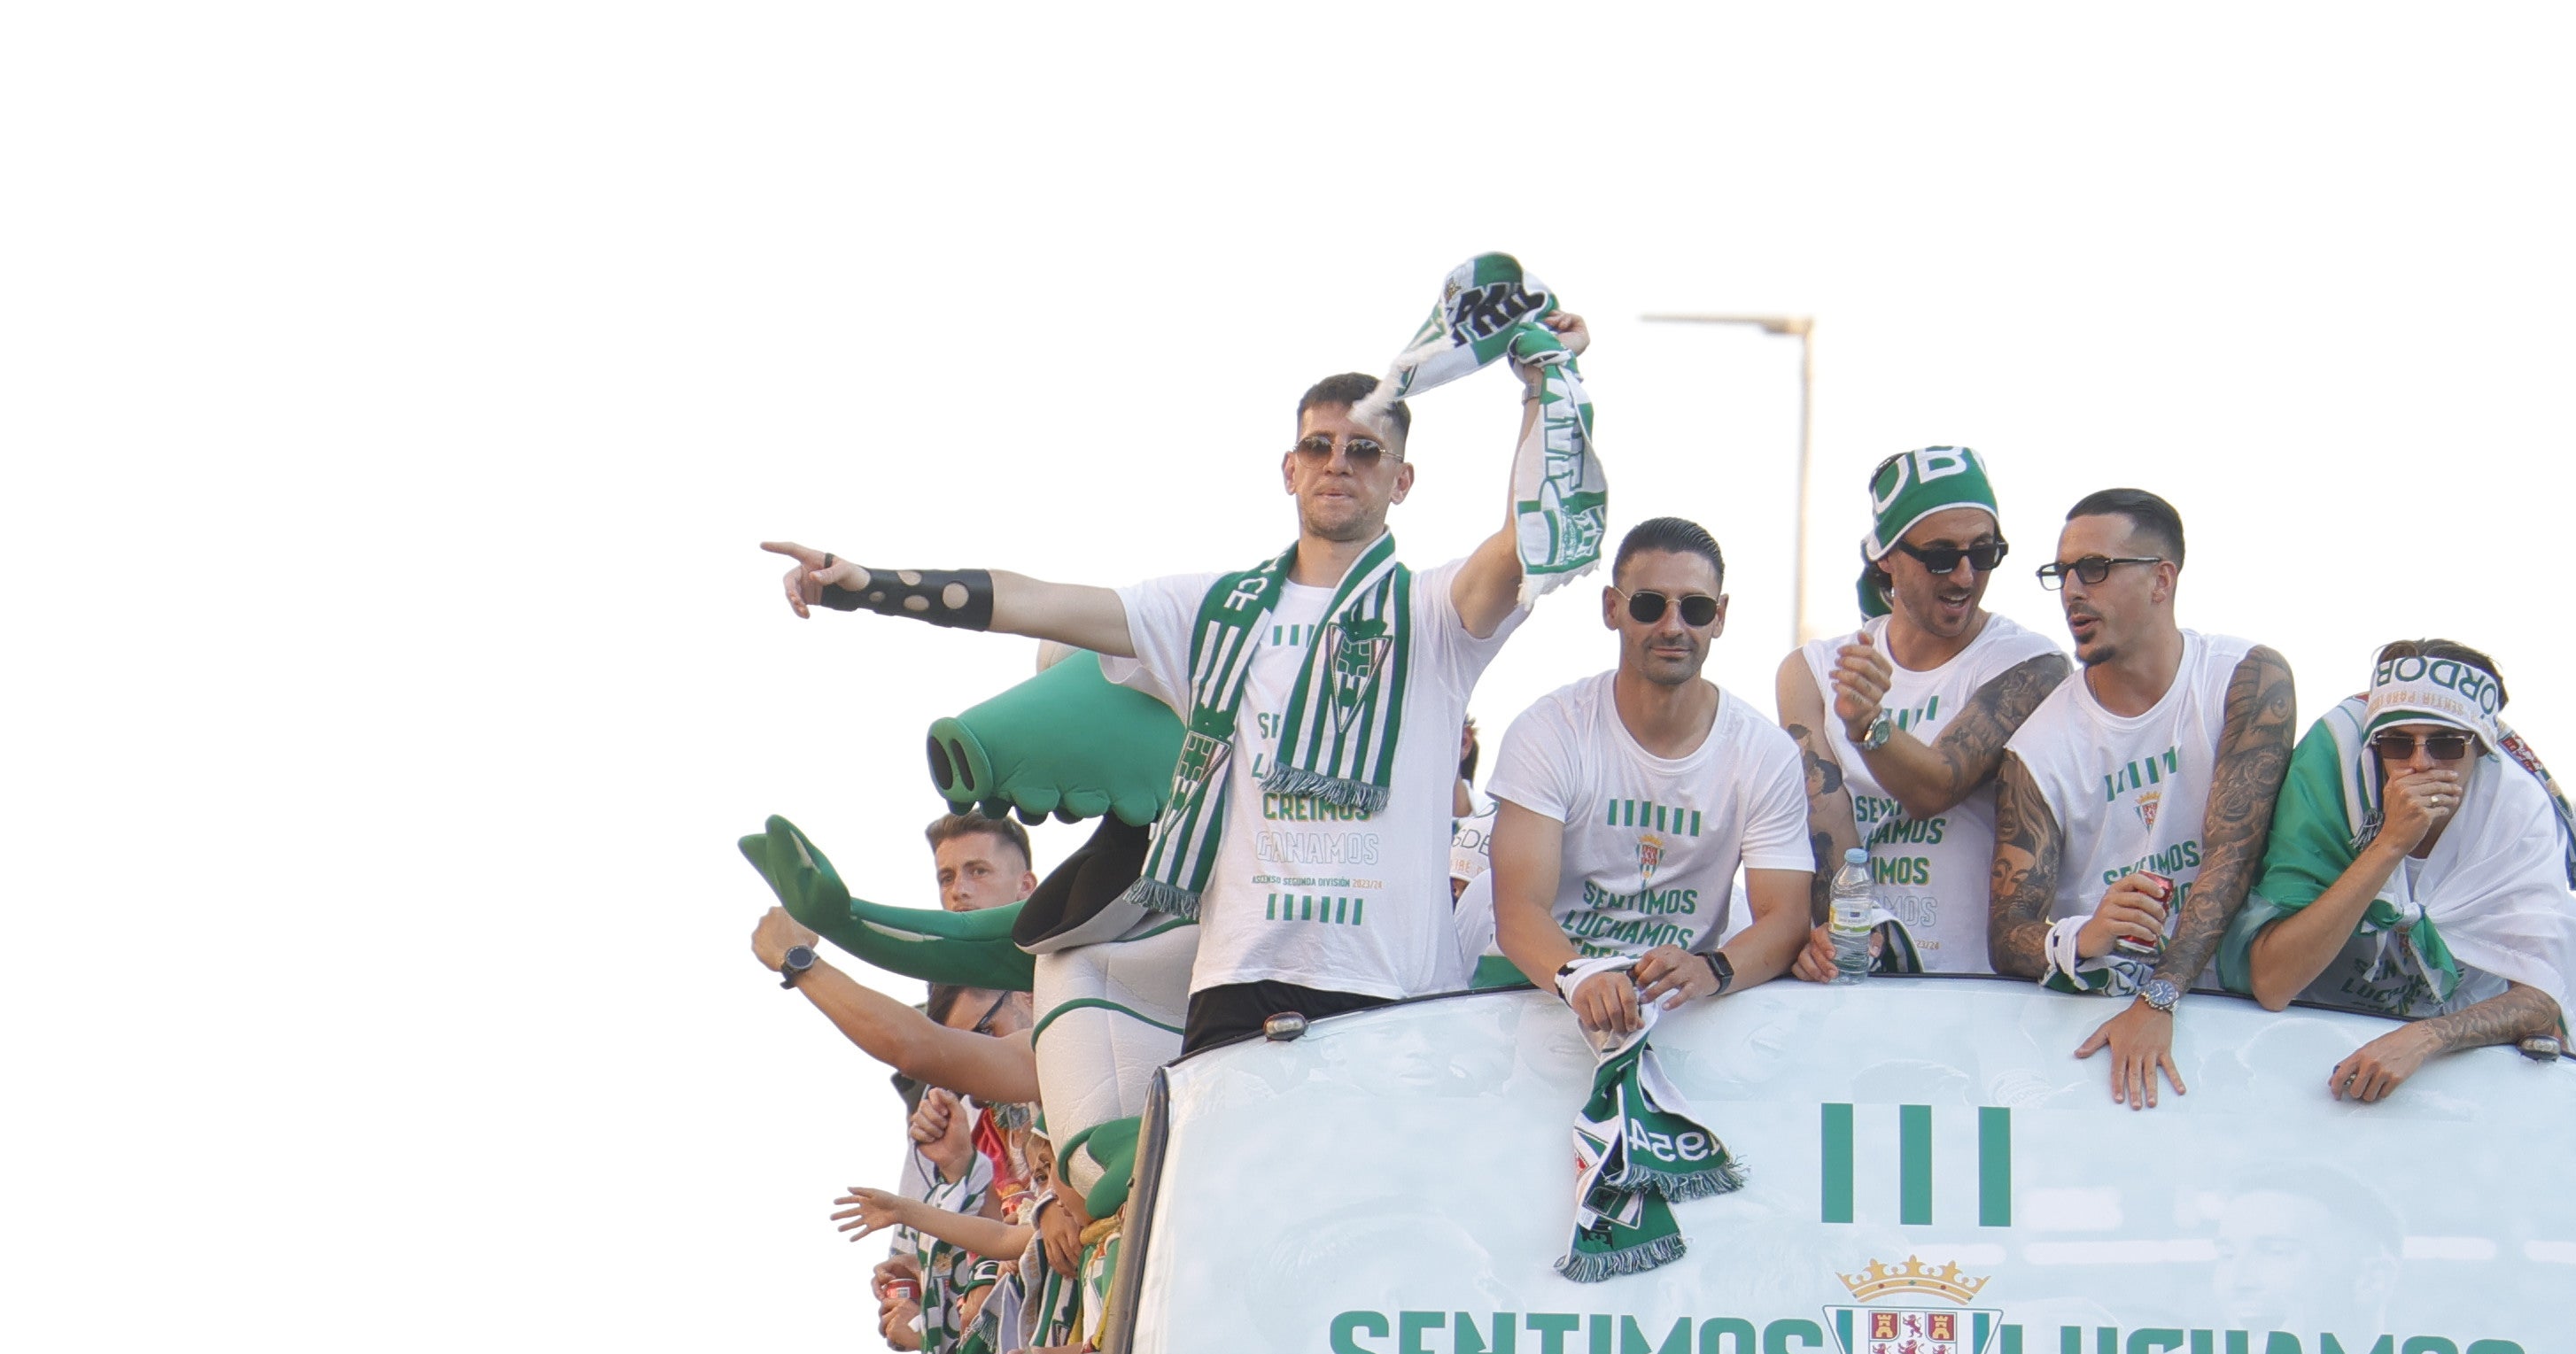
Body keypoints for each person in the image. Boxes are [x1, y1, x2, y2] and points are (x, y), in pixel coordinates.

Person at [764, 337, 1584, 1056]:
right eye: (1320, 445)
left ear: (1401, 479)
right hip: (1241, 982)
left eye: (1365, 450)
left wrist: (1546, 385)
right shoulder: (1208, 612)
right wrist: (866, 586)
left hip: (1396, 988)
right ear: (1288, 468)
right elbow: (1035, 600)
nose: (1341, 462)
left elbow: (1528, 538)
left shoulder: (1434, 613)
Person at [1989, 490, 2299, 1111]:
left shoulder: (2245, 677)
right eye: (2063, 573)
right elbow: (2007, 935)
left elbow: (2231, 859)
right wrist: (2087, 935)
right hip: (2096, 1049)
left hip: (2232, 1025)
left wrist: (2159, 998)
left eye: (2096, 569)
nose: (2073, 591)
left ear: (2163, 580)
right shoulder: (2039, 748)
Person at [1486, 519, 1815, 1033]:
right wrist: (1582, 977)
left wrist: (1711, 970)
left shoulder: (1763, 752)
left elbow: (1786, 918)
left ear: (1720, 616)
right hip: (1547, 997)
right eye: (1649, 604)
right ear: (1611, 609)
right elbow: (1518, 911)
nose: (1672, 626)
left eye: (1696, 607)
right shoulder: (1550, 730)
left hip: (1683, 1010)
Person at [2234, 642, 2576, 1103]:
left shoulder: (2516, 810)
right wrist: (2390, 844)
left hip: (2446, 1080)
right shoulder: (2334, 778)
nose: (2420, 763)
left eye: (2446, 744)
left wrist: (2425, 1039)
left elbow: (2543, 994)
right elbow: (2272, 982)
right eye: (2397, 742)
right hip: (2306, 1067)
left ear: (2482, 750)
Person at [1782, 444, 2066, 979]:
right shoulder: (1811, 670)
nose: (1963, 576)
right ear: (1886, 557)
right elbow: (1825, 828)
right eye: (1940, 556)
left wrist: (1869, 727)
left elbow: (1935, 787)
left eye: (1984, 554)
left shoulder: (2033, 663)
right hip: (1859, 972)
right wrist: (1849, 937)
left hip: (1973, 988)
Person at [756, 811, 1042, 1109]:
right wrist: (959, 1157)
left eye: (979, 871)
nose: (959, 891)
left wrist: (802, 955)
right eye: (947, 878)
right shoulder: (944, 1112)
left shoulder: (1071, 971)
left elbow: (916, 1046)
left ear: (1026, 886)